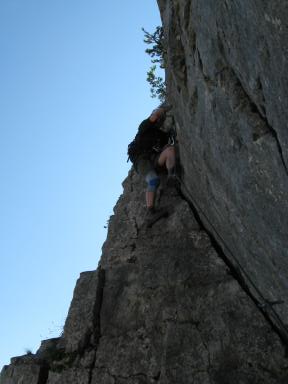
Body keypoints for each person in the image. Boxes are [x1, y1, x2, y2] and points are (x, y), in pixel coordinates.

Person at [128, 105, 177, 219]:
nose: (160, 120)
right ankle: (151, 212)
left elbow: (168, 142)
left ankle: (171, 176)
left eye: (162, 119)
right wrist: (165, 108)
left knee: (170, 150)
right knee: (154, 180)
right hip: (142, 160)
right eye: (160, 118)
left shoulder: (160, 135)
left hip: (155, 159)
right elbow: (155, 115)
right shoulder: (145, 126)